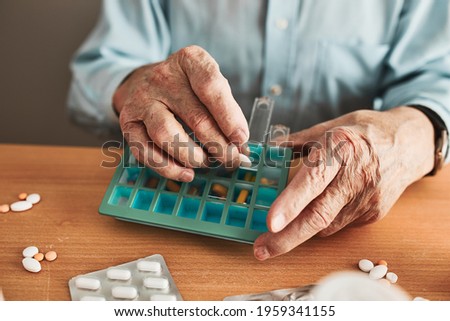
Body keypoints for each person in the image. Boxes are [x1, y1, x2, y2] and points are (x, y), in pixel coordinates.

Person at [68, 0, 450, 261]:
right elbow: (98, 69)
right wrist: (136, 84)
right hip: (173, 216)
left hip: (339, 242)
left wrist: (412, 133)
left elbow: (437, 81)